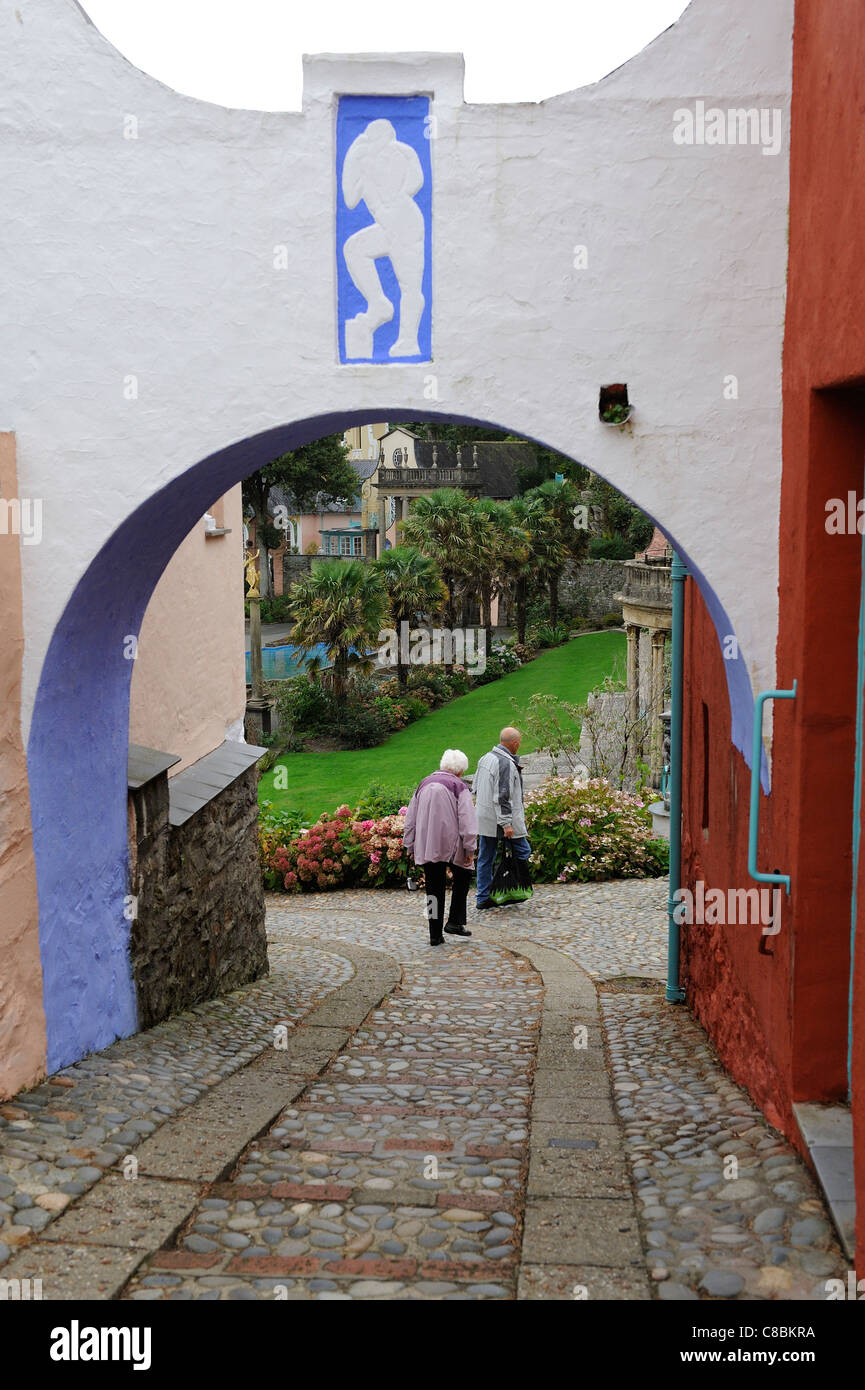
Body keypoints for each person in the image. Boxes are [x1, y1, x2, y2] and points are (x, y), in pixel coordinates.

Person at [402, 749, 478, 946]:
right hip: (452, 845)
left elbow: (410, 819)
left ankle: (434, 934)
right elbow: (468, 822)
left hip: (427, 844)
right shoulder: (459, 786)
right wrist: (470, 849)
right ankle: (454, 921)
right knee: (463, 875)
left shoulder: (423, 784)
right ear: (460, 771)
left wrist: (409, 845)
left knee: (432, 890)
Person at [472, 726, 531, 910]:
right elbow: (502, 796)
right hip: (501, 820)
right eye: (519, 743)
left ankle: (483, 897)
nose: (519, 746)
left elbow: (474, 787)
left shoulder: (485, 758)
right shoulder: (504, 763)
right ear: (514, 743)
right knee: (522, 851)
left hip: (485, 818)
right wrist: (506, 823)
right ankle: (512, 888)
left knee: (485, 857)